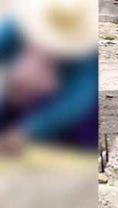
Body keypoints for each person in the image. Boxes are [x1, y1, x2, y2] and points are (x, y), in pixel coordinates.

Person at [0, 0, 98, 151]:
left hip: (54, 114)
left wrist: (29, 132)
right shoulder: (16, 26)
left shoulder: (85, 51)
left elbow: (77, 99)